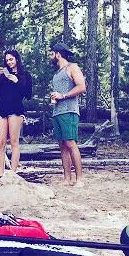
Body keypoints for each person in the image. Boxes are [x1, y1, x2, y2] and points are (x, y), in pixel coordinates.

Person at [49, 41, 86, 186]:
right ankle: (66, 179)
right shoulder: (57, 73)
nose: (51, 57)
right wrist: (55, 97)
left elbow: (82, 87)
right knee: (62, 145)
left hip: (69, 111)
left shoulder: (72, 67)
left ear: (58, 54)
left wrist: (63, 96)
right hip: (57, 112)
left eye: (52, 54)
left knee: (71, 143)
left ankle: (79, 180)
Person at [0, 49, 32, 176]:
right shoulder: (3, 74)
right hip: (2, 109)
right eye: (7, 60)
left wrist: (16, 81)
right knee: (0, 142)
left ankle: (13, 174)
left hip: (16, 109)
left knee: (14, 141)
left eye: (11, 59)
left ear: (17, 59)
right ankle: (1, 173)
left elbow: (28, 94)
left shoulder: (25, 74)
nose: (9, 62)